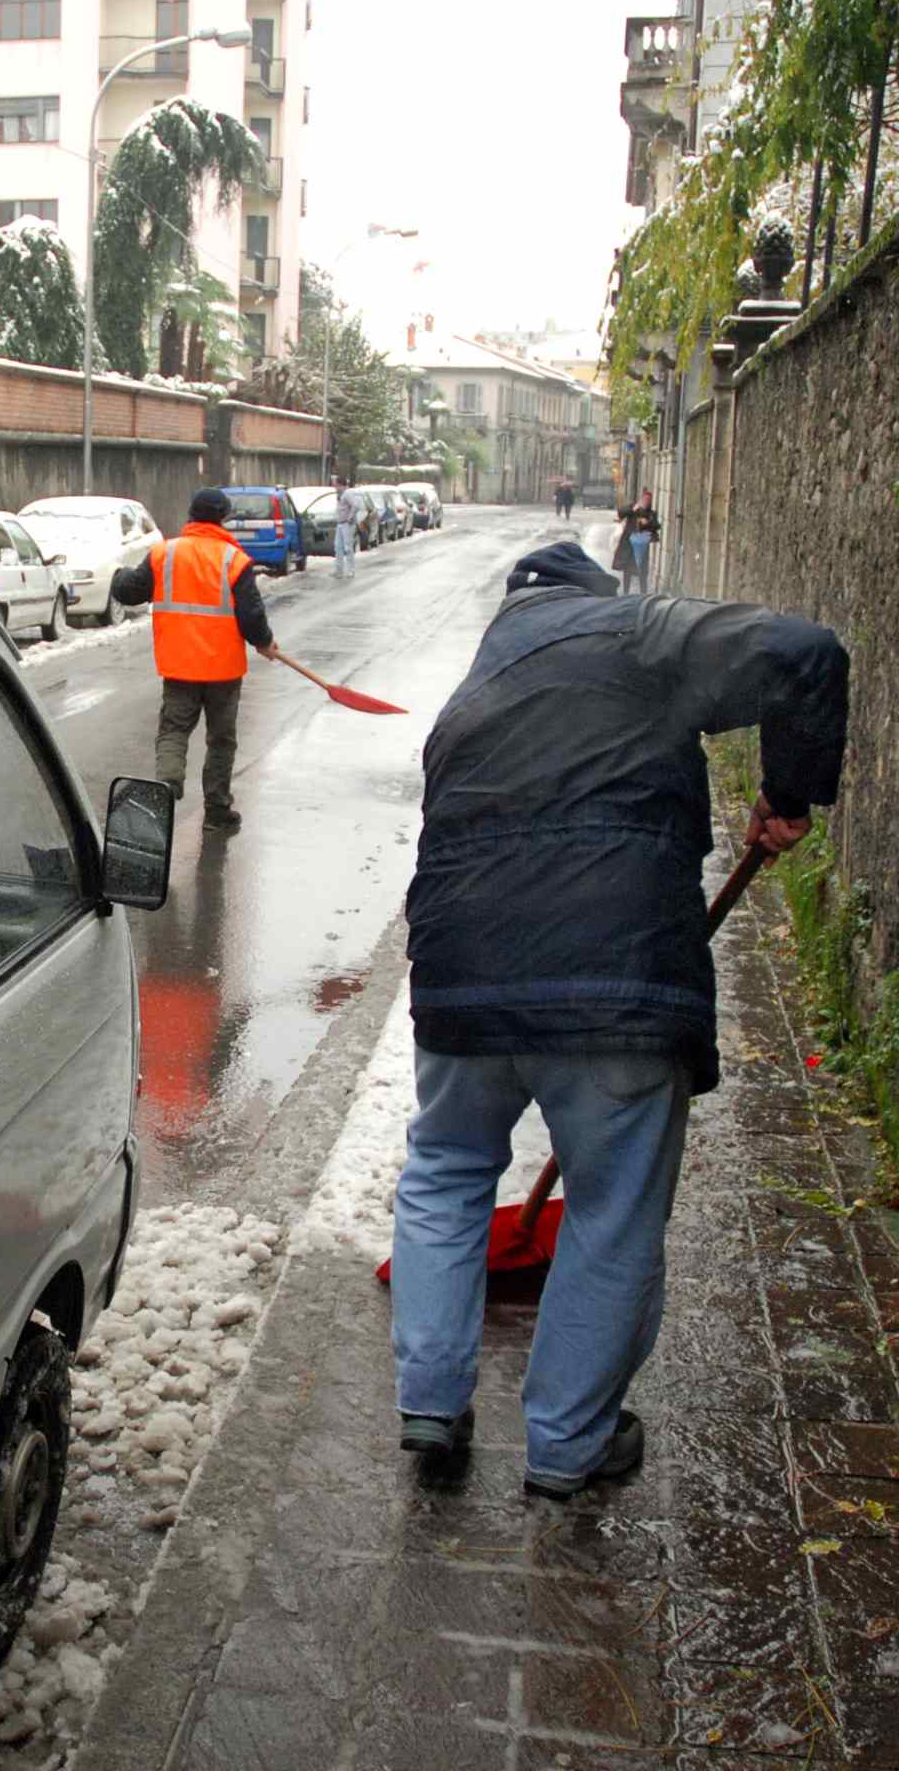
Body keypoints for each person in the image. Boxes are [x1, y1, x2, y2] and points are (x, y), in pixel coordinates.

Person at [390, 539, 849, 1496]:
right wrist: (789, 789)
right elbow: (805, 650)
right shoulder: (637, 631)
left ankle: (430, 1405)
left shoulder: (467, 700)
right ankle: (567, 1447)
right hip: (618, 988)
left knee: (444, 1172)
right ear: (590, 597)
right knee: (610, 1211)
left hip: (459, 984)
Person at [112, 487, 278, 832]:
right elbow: (251, 615)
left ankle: (166, 789)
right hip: (224, 670)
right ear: (223, 519)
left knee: (173, 731)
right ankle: (217, 812)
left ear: (191, 515)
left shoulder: (165, 554)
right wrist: (264, 642)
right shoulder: (235, 560)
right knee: (221, 739)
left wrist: (118, 577)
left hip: (180, 666)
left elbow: (130, 592)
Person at [613, 489, 660, 593]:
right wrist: (632, 510)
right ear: (641, 499)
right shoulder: (632, 508)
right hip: (629, 545)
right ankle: (626, 593)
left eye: (649, 500)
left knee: (643, 571)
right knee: (627, 570)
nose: (646, 502)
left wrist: (647, 523)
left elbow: (656, 526)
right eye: (645, 499)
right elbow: (620, 513)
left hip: (642, 547)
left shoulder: (651, 514)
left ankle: (643, 594)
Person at [333, 475, 366, 579]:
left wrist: (350, 517)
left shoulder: (347, 493)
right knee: (338, 547)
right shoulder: (340, 494)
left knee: (348, 548)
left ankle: (351, 570)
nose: (335, 487)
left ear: (341, 485)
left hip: (347, 524)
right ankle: (339, 570)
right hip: (340, 523)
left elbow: (355, 505)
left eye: (336, 485)